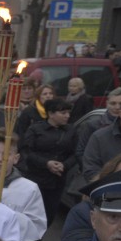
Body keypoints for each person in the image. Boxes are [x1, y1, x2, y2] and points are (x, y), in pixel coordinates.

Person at [0, 132, 48, 241]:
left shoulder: (28, 188)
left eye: (5, 154)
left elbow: (37, 225)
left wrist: (4, 213)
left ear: (16, 158)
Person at [20, 98, 77, 228]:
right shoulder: (36, 129)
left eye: (68, 112)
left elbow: (76, 153)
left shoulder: (71, 130)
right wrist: (46, 163)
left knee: (50, 212)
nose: (67, 116)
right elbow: (26, 151)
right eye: (63, 113)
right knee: (32, 211)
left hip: (57, 179)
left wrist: (65, 165)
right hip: (36, 177)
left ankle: (39, 238)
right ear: (51, 114)